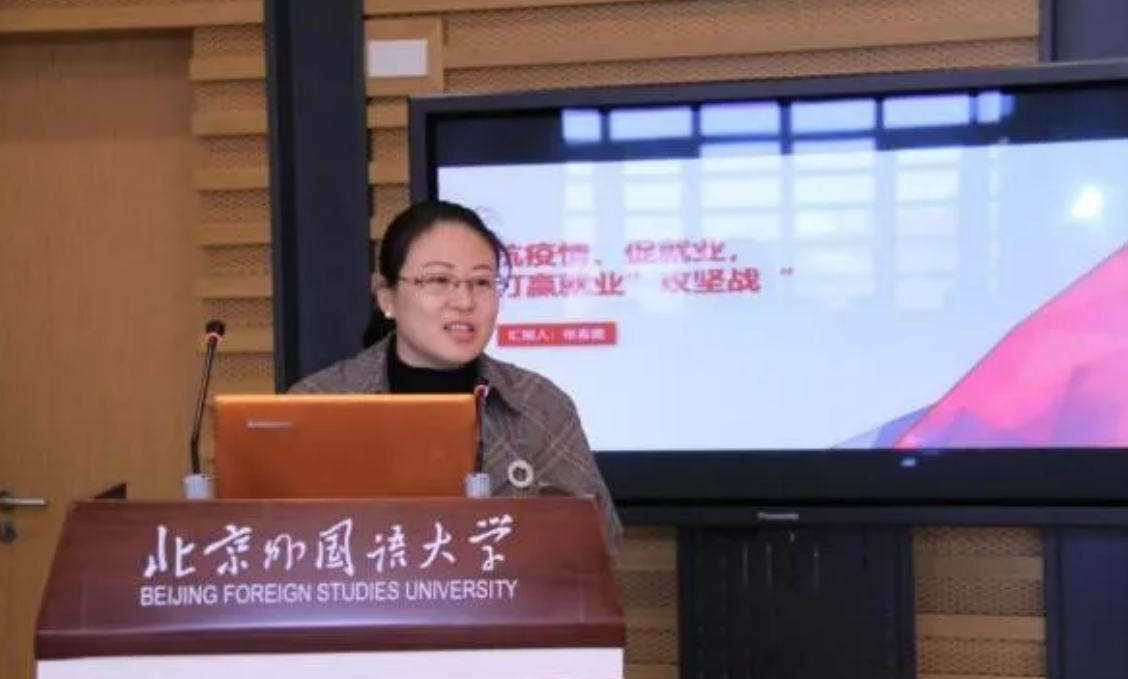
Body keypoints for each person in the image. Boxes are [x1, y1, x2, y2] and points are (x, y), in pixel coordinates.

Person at [289, 200, 622, 553]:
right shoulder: (316, 405)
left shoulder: (538, 405)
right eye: (439, 280)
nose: (464, 301)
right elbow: (277, 548)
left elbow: (599, 549)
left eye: (481, 282)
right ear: (387, 298)